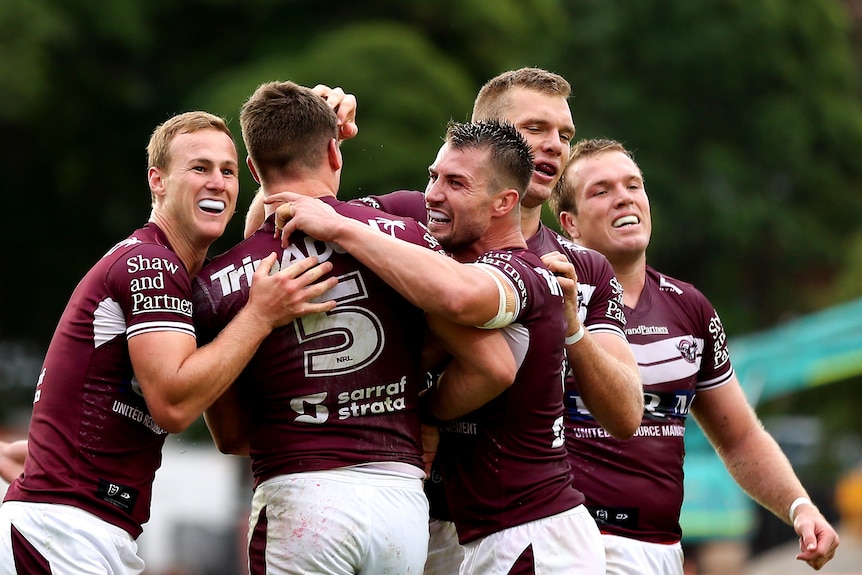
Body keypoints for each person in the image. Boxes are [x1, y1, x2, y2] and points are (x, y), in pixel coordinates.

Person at [195, 81, 521, 575]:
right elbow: (494, 366)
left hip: (299, 495)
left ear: (253, 170)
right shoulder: (407, 242)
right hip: (400, 503)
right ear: (335, 150)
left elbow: (233, 436)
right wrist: (420, 413)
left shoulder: (217, 282)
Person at [0, 111, 337, 574]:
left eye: (229, 171)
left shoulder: (173, 272)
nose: (218, 182)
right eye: (199, 168)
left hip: (82, 531)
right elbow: (173, 405)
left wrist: (309, 132)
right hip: (63, 534)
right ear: (157, 181)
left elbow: (263, 233)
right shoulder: (152, 264)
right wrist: (260, 315)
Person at [275, 118, 607, 574]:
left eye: (455, 183)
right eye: (433, 176)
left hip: (532, 538)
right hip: (492, 538)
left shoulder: (525, 270)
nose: (432, 194)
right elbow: (278, 215)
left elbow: (459, 297)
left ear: (503, 202)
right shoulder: (440, 249)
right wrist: (308, 136)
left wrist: (342, 230)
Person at [550, 137, 841, 573]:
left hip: (661, 549)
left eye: (633, 185)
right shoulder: (545, 295)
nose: (624, 197)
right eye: (601, 190)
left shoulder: (690, 307)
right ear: (569, 222)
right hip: (567, 545)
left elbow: (739, 436)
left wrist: (800, 507)